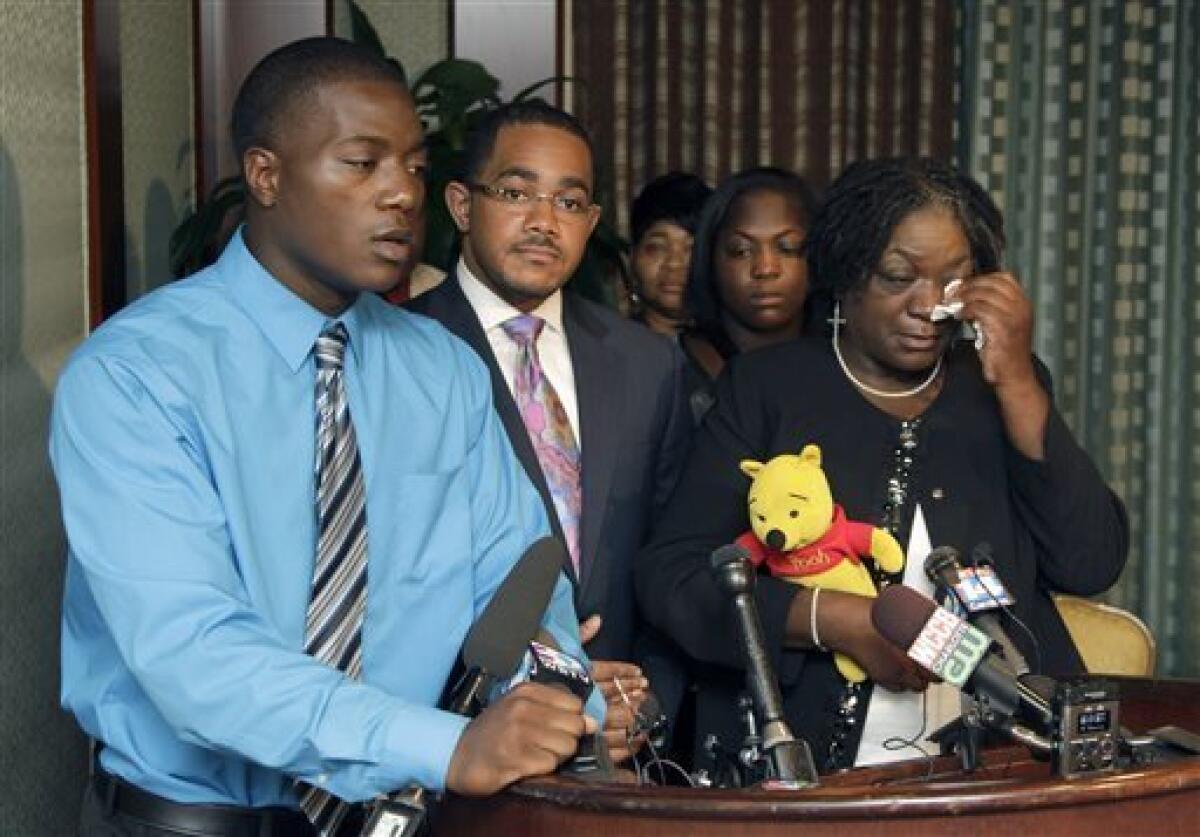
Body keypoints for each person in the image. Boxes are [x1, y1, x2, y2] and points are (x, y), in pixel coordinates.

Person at [53, 38, 600, 837]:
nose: (400, 195)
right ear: (267, 175)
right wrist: (447, 746)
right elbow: (193, 653)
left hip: (401, 817)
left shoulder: (443, 372)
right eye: (362, 163)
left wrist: (549, 693)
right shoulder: (135, 374)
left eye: (413, 167)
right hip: (188, 822)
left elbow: (522, 579)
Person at [634, 157, 1129, 774]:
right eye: (899, 278)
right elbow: (672, 577)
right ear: (846, 277)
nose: (928, 306)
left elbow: (1090, 561)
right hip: (815, 773)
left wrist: (1021, 384)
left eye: (953, 280)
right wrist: (832, 618)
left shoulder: (1001, 387)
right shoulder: (768, 388)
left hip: (1003, 767)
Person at [407, 101, 693, 762]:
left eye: (568, 203)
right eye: (515, 193)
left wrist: (644, 705)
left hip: (621, 748)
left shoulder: (647, 363)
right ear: (461, 204)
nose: (543, 222)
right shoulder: (398, 350)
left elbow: (676, 553)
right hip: (459, 736)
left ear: (591, 223)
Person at [679, 167, 816, 422]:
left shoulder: (847, 370)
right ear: (709, 259)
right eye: (741, 251)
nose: (765, 269)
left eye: (787, 249)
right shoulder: (668, 374)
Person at [625, 171, 713, 337]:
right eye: (657, 247)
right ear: (633, 257)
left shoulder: (740, 353)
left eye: (691, 249)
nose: (674, 263)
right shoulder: (602, 351)